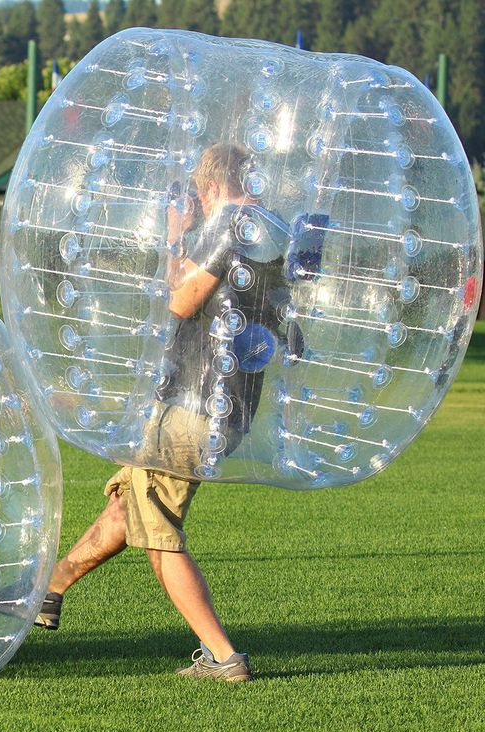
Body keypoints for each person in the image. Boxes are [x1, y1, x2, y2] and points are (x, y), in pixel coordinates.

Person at [36, 143, 296, 682]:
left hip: (193, 407)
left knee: (159, 535)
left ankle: (224, 657)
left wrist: (176, 235)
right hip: (226, 408)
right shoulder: (275, 233)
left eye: (200, 191)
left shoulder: (232, 227)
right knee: (129, 507)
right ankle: (50, 589)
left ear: (211, 186)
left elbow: (178, 302)